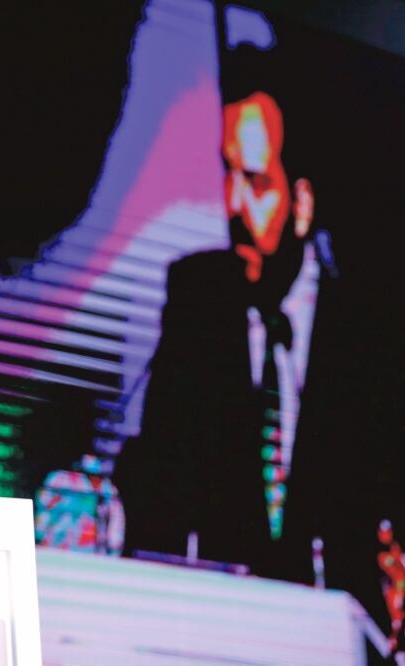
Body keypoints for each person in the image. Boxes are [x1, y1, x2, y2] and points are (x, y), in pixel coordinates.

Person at [113, 90, 320, 576]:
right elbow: (161, 469)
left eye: (257, 182)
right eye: (229, 174)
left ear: (302, 204)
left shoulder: (359, 331)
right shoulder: (197, 295)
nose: (234, 204)